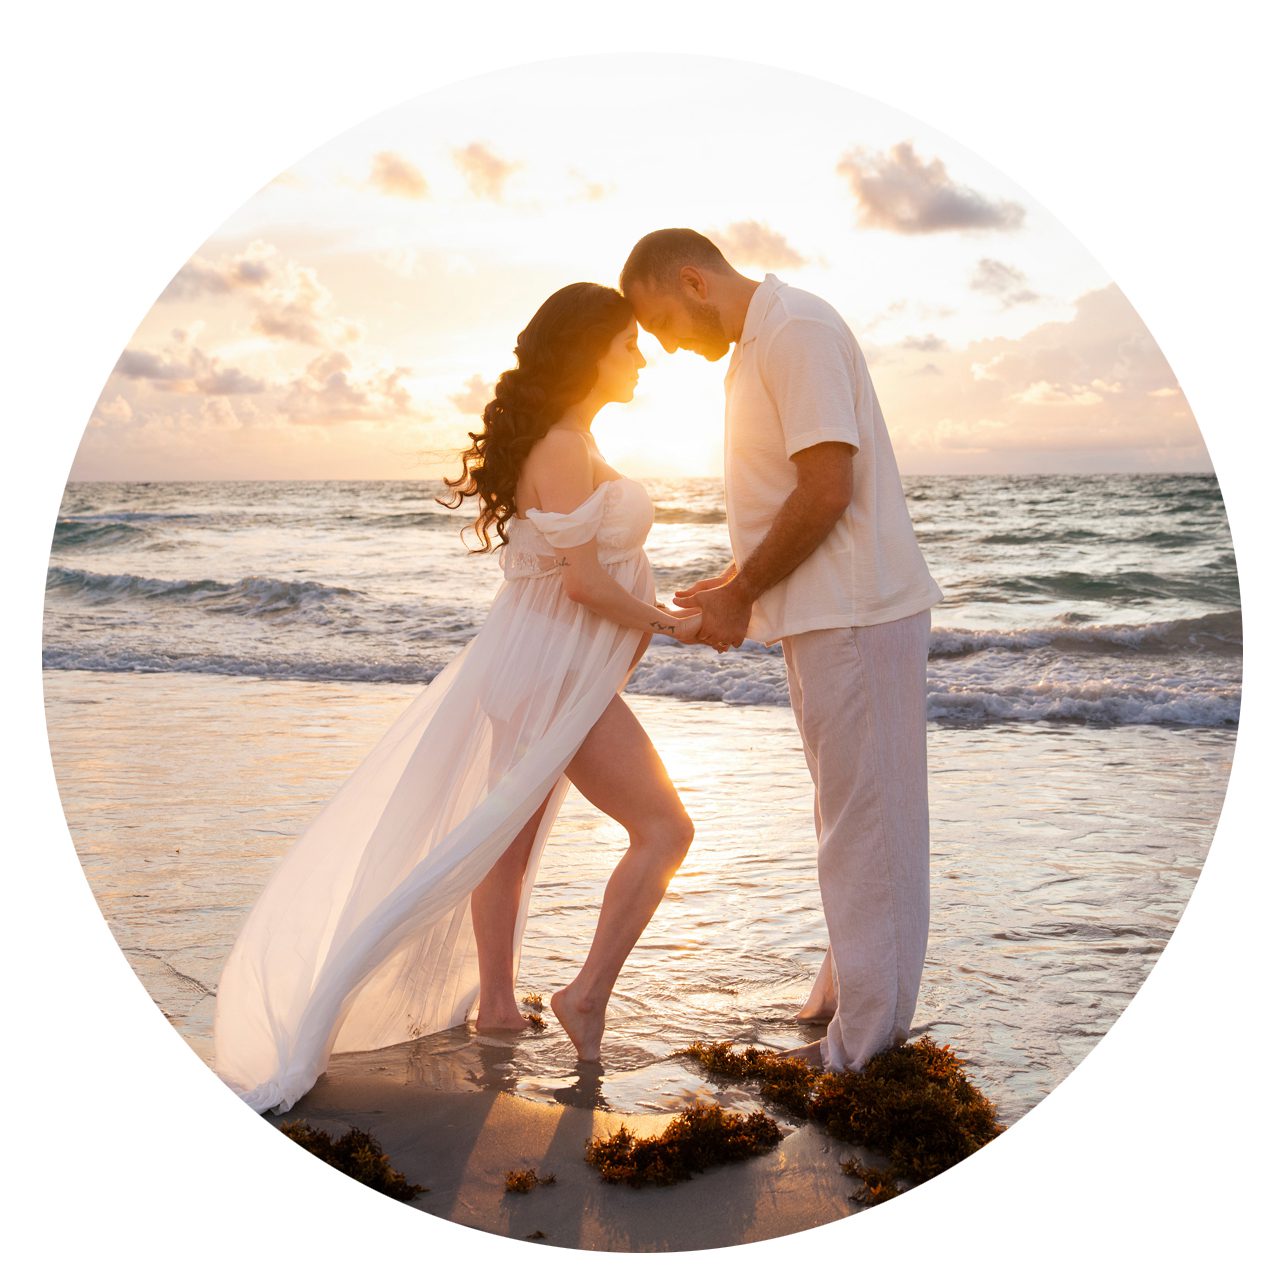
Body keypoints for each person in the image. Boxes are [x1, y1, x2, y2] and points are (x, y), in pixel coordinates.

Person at [213, 283, 700, 1114]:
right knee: (665, 828)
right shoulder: (560, 445)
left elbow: (576, 574)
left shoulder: (571, 440)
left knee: (502, 841)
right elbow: (583, 584)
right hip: (548, 673)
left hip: (538, 668)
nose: (642, 358)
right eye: (627, 343)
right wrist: (668, 622)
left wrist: (663, 611)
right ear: (588, 351)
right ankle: (581, 995)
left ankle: (499, 1004)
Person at [620, 229, 944, 1073]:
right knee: (851, 813)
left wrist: (740, 593)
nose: (665, 347)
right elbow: (789, 501)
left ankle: (863, 1049)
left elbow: (829, 488)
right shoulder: (758, 342)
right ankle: (842, 1003)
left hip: (856, 614)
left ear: (692, 280)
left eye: (660, 322)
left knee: (868, 824)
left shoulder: (793, 329)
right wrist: (735, 581)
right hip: (826, 613)